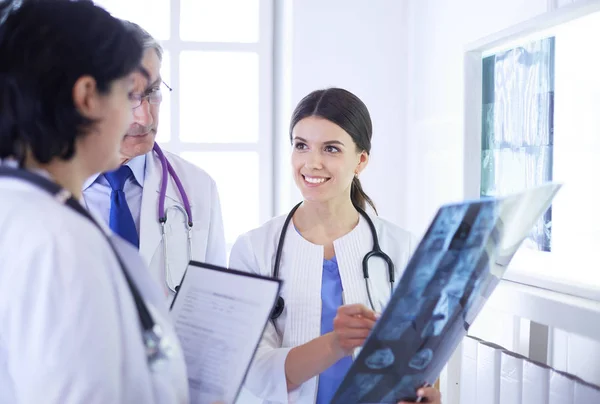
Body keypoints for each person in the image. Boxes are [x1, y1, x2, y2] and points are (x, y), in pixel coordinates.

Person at [0, 1, 188, 402]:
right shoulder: (59, 241)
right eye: (127, 93)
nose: (137, 116)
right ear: (87, 97)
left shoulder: (22, 210)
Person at [229, 88, 442, 403]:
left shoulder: (402, 248)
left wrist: (428, 396)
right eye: (301, 146)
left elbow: (424, 358)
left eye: (330, 149)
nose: (312, 163)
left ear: (361, 160)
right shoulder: (254, 250)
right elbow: (253, 370)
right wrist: (336, 343)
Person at [83, 20, 226, 300]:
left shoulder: (198, 188)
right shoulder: (40, 194)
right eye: (128, 97)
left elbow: (214, 309)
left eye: (152, 93)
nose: (145, 118)